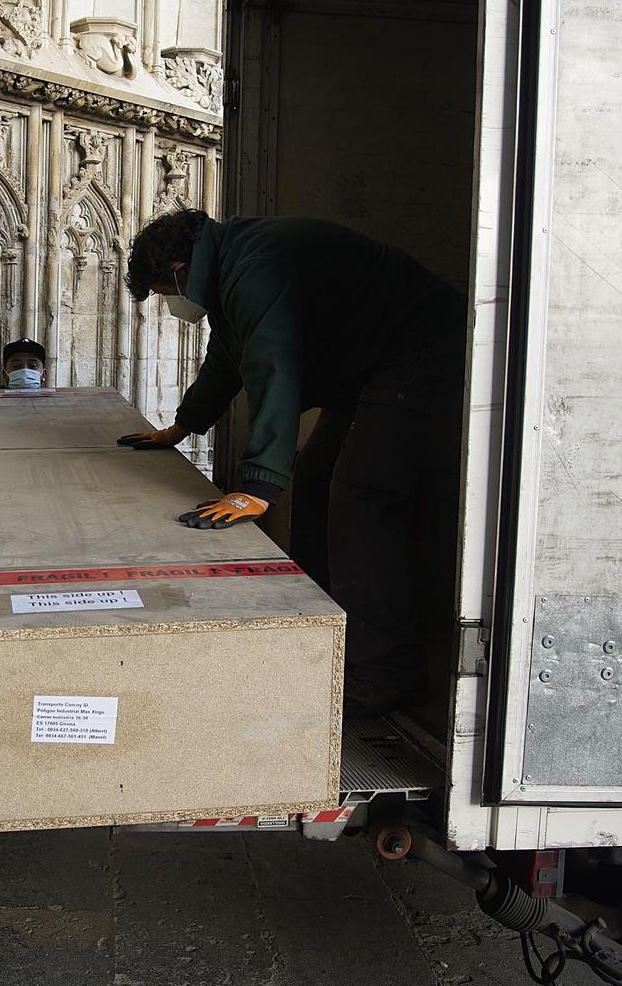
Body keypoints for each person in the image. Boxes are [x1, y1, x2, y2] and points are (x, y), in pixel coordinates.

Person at [119, 208, 464, 717]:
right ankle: (327, 632)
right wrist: (183, 426)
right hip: (372, 367)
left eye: (167, 294)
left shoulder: (253, 264)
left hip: (417, 351)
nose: (174, 305)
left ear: (179, 270)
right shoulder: (233, 264)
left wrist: (258, 485)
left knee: (361, 499)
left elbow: (272, 366)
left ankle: (387, 672)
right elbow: (229, 354)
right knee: (319, 477)